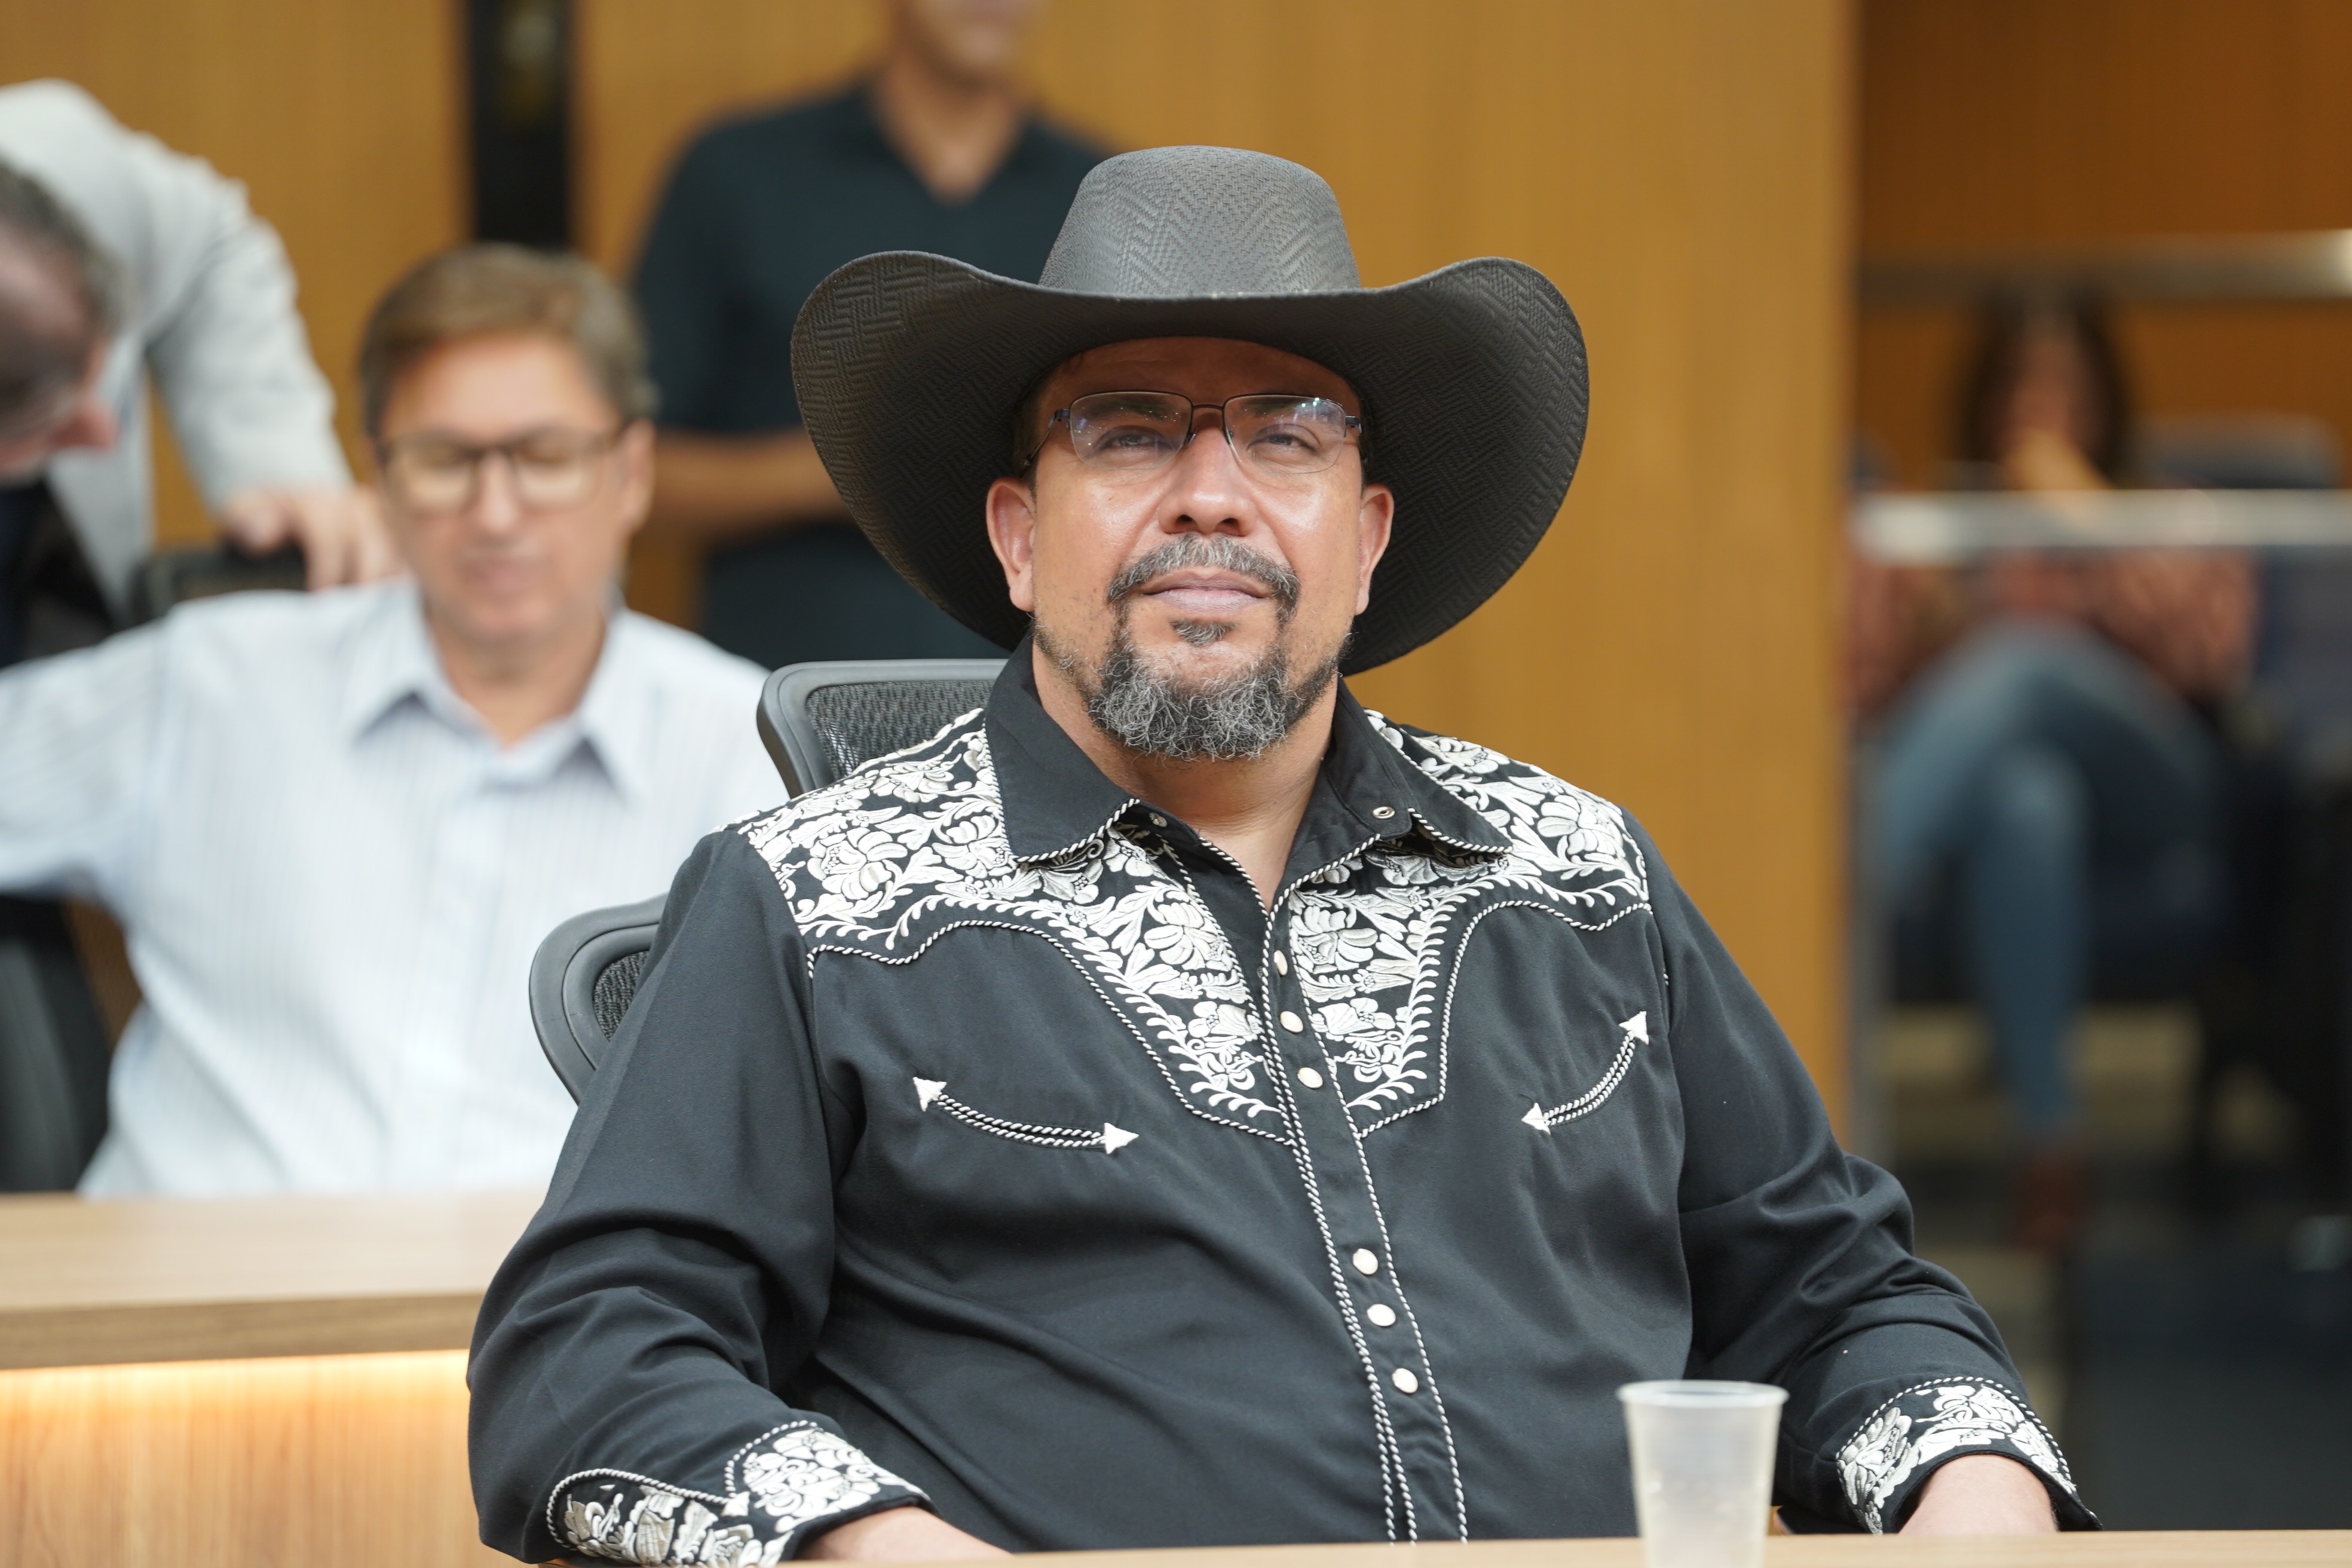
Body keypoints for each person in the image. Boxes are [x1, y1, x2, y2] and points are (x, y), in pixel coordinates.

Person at [470, 149, 2092, 1560]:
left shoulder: (1580, 871)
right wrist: (877, 1546)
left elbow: (1841, 1297)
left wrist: (1974, 1489)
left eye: (1288, 436)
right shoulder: (811, 901)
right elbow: (585, 1359)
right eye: (1127, 433)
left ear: (1365, 538)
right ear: (1019, 536)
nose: (1211, 497)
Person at [0, 245, 783, 1196]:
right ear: (378, 473)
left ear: (632, 472)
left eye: (545, 458)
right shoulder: (214, 683)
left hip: (555, 1286)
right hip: (188, 1272)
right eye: (444, 461)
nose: (496, 515)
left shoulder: (756, 755)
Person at [1849, 292, 2250, 1252]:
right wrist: (1928, 629)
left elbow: (2210, 656)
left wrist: (2080, 514)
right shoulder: (1943, 525)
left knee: (2027, 664)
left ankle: (1839, 897)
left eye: (2066, 387)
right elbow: (1861, 688)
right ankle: (2052, 1151)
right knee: (2027, 802)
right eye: (2020, 388)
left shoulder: (2164, 506)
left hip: (2163, 787)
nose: (2041, 409)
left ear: (2109, 400)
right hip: (2019, 802)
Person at [632, 0, 1102, 668]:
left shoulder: (1101, 197)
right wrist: (847, 472)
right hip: (786, 682)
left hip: (1042, 689)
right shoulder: (736, 173)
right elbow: (629, 469)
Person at [0, 79, 394, 662]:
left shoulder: (60, 164)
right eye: (48, 423)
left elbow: (205, 252)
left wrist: (273, 462)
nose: (106, 432)